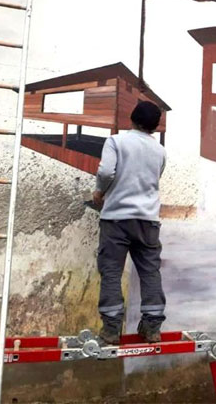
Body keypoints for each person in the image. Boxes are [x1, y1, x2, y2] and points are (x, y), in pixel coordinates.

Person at [93, 101, 166, 345]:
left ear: (131, 119)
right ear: (155, 127)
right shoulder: (160, 151)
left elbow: (106, 172)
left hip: (117, 218)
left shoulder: (116, 141)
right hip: (148, 221)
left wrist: (99, 192)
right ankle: (152, 328)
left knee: (112, 271)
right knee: (150, 272)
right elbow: (154, 178)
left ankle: (112, 330)